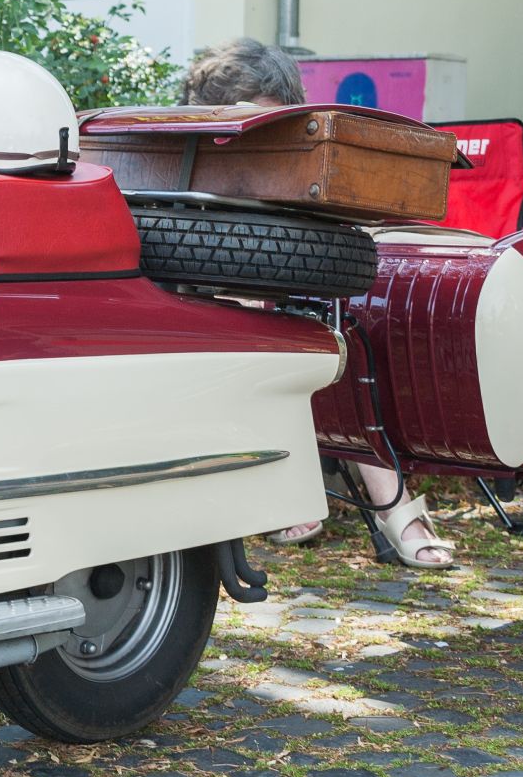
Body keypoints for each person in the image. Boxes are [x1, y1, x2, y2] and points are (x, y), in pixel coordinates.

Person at [184, 38, 456, 569]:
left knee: (343, 337)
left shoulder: (310, 156)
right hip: (214, 299)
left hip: (298, 289)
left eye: (260, 125)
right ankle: (281, 488)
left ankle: (392, 505)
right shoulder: (189, 158)